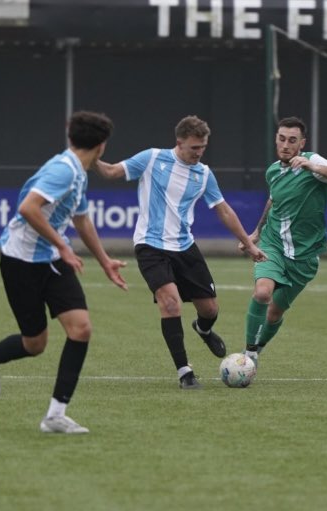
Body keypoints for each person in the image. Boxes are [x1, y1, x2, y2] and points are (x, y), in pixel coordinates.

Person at [0, 110, 128, 434]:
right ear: (102, 146)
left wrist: (104, 260)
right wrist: (63, 246)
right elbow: (28, 208)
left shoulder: (79, 173)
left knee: (81, 329)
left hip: (53, 260)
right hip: (21, 261)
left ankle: (55, 415)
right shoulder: (63, 170)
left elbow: (81, 220)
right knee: (35, 344)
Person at [93, 115, 266, 389]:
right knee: (170, 303)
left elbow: (224, 210)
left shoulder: (204, 174)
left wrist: (249, 243)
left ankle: (203, 328)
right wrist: (90, 157)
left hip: (185, 247)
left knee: (210, 309)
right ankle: (185, 372)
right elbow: (112, 172)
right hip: (150, 246)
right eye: (194, 147)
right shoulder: (152, 158)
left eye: (203, 147)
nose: (199, 153)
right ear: (179, 142)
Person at [239, 116, 327, 369]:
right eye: (282, 139)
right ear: (276, 139)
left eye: (292, 140)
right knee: (262, 292)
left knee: (275, 313)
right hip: (272, 244)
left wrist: (313, 167)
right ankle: (248, 354)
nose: (286, 145)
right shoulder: (273, 171)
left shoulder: (313, 162)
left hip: (305, 255)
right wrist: (256, 232)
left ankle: (258, 349)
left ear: (302, 143)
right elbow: (273, 200)